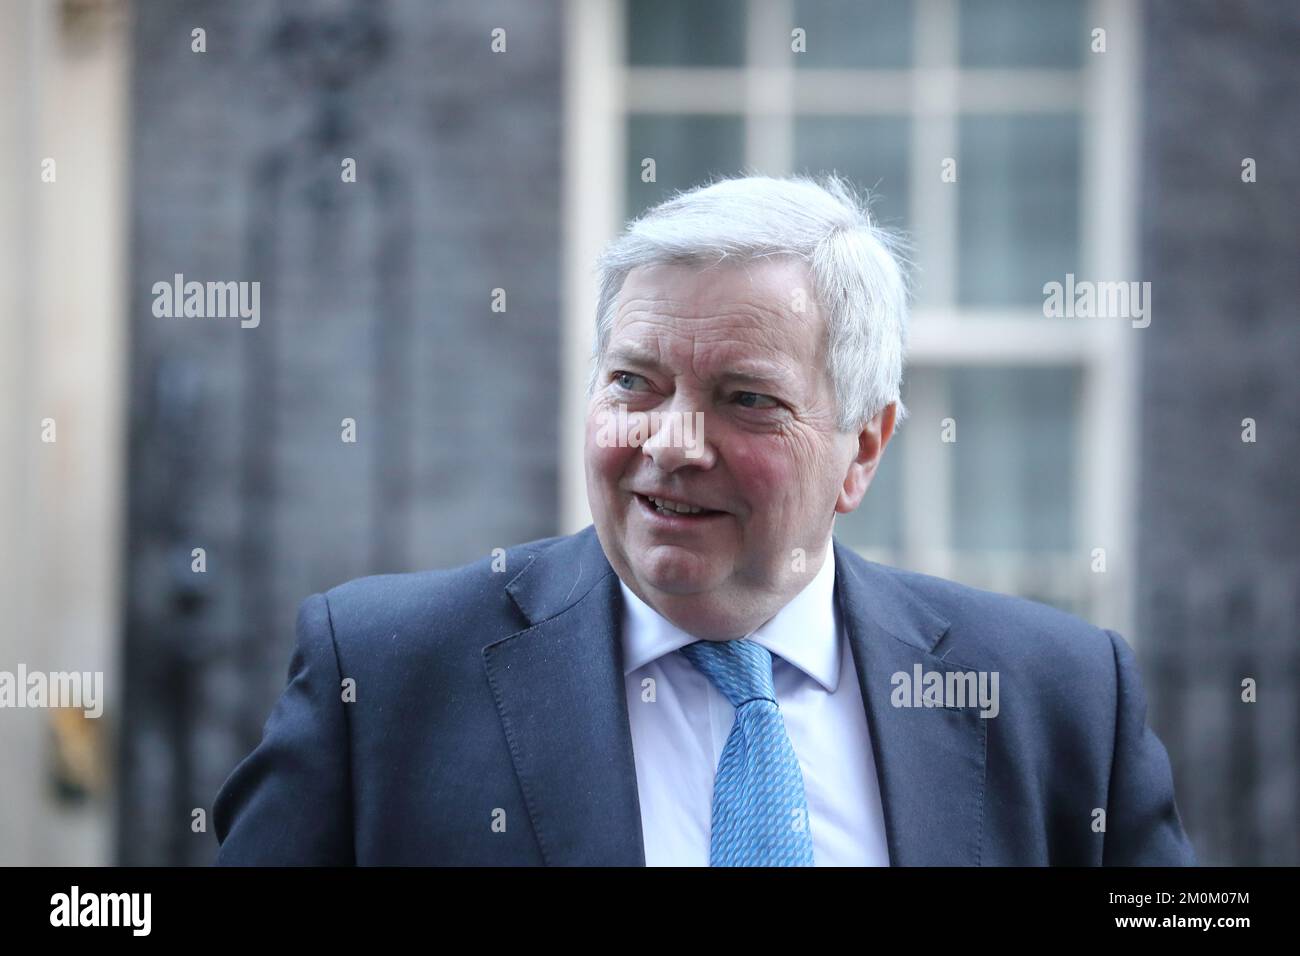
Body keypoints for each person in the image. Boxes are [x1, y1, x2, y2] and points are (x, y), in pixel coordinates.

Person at [213, 174, 1196, 866]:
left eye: (744, 397)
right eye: (633, 381)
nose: (673, 440)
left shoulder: (1060, 698)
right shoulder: (382, 675)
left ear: (862, 446)